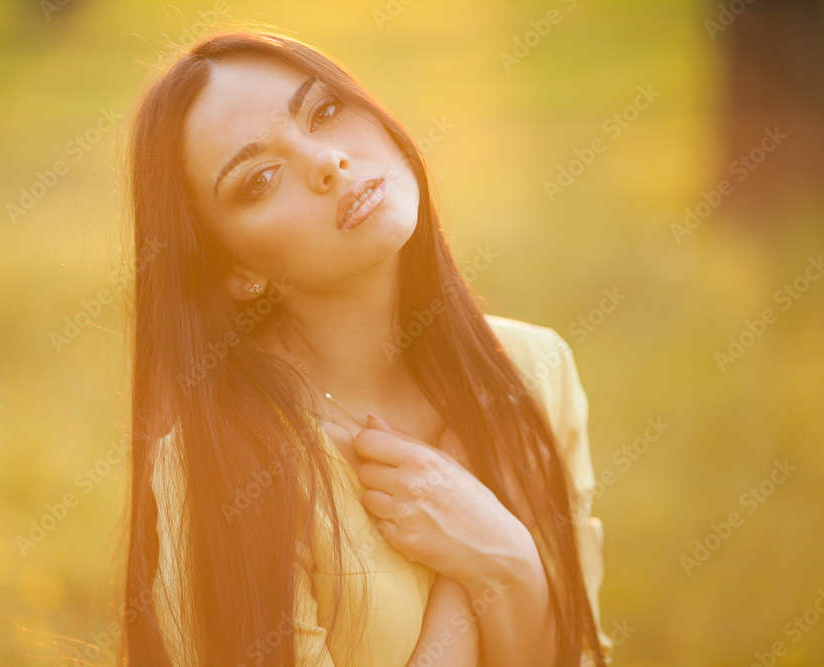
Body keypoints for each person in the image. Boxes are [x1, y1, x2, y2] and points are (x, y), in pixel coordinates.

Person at [119, 28, 612, 667]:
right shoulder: (225, 467)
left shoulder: (533, 371)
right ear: (234, 271)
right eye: (262, 178)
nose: (327, 162)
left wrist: (508, 564)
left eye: (324, 112)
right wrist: (475, 585)